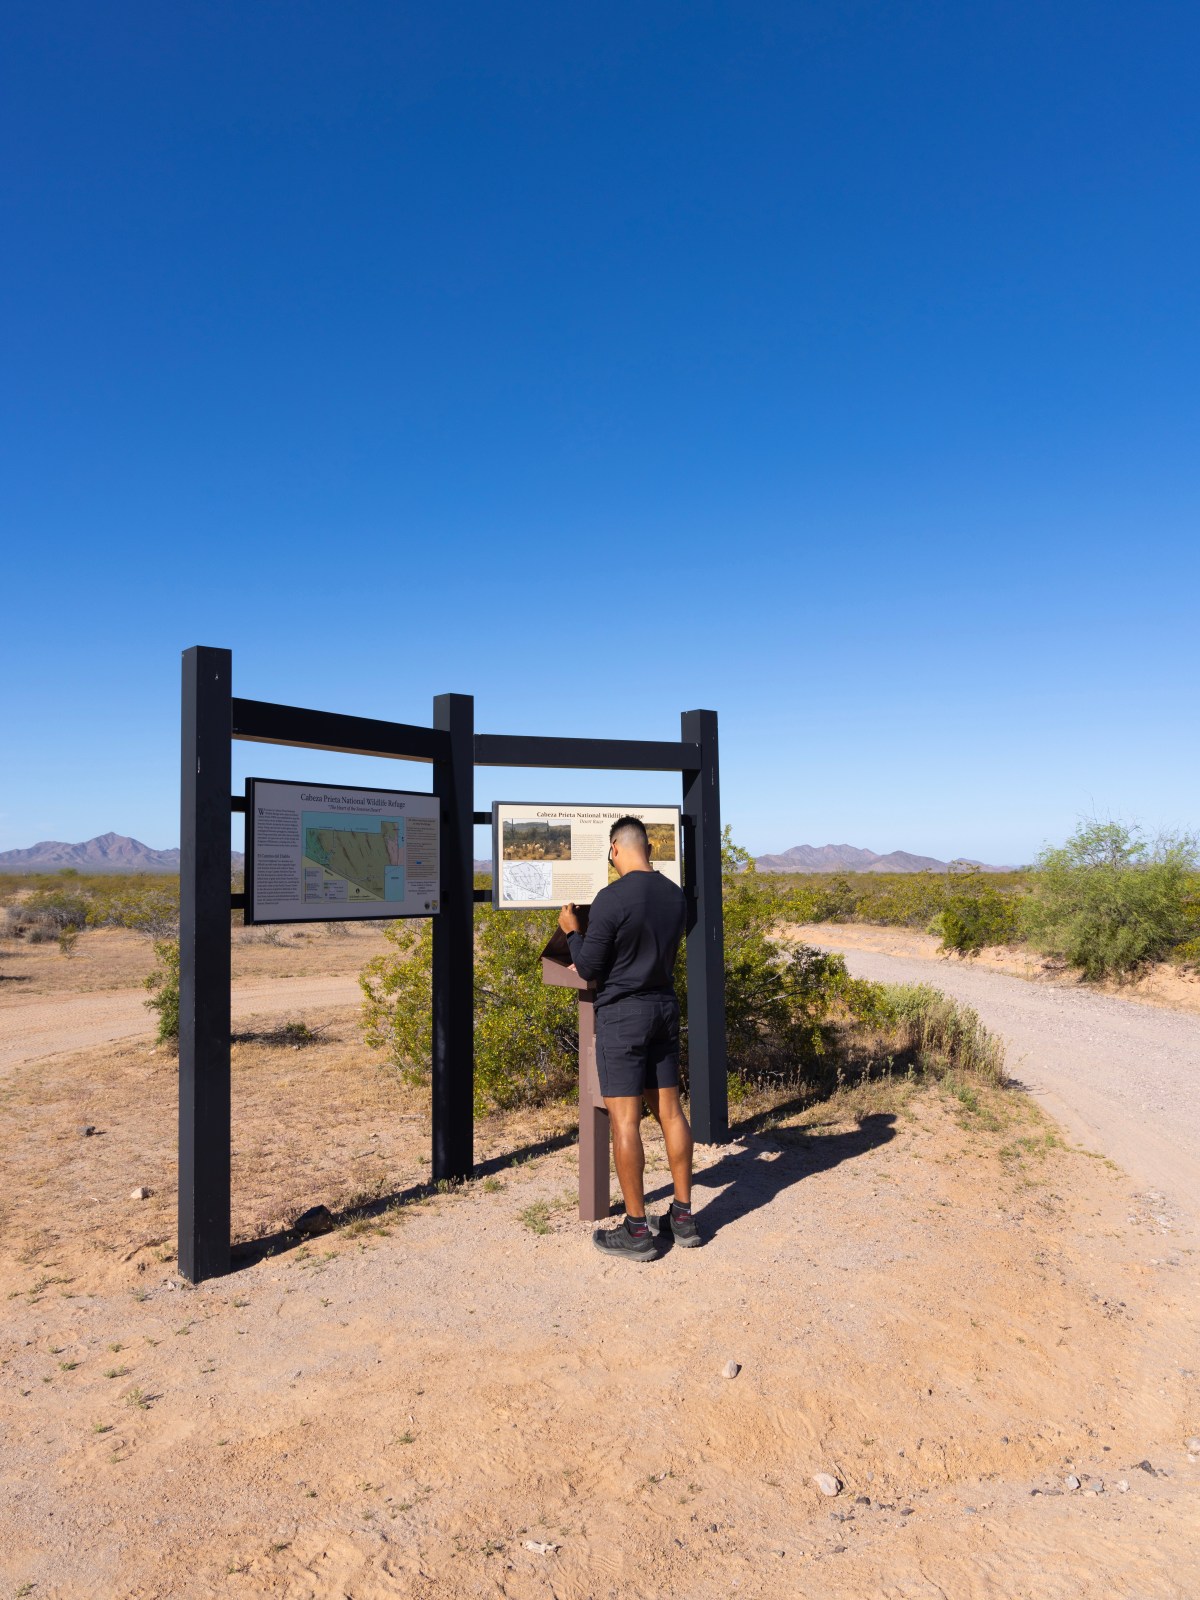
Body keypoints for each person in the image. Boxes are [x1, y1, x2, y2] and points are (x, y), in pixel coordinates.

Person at [557, 816, 699, 1259]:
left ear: (615, 849)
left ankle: (637, 1230)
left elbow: (590, 968)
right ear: (649, 848)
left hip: (623, 1015)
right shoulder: (674, 895)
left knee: (625, 1121)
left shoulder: (612, 898)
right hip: (664, 1007)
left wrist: (572, 932)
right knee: (671, 1114)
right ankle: (682, 1216)